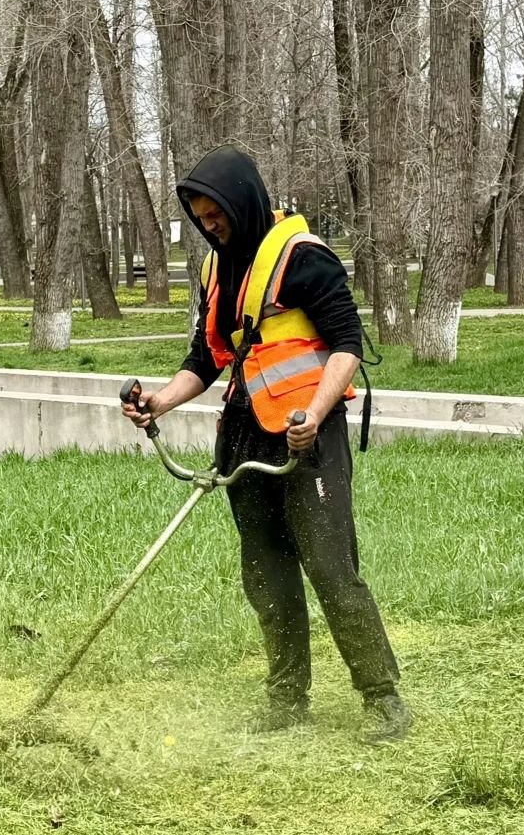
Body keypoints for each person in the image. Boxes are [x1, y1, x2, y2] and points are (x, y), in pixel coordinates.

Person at [120, 145, 412, 743]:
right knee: (266, 572)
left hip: (308, 437)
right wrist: (159, 402)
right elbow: (206, 358)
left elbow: (348, 344)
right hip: (245, 436)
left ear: (242, 201)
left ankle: (382, 697)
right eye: (201, 219)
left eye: (216, 215)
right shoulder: (216, 269)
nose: (210, 227)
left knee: (331, 568)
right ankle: (287, 697)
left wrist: (316, 413)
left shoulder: (303, 257)